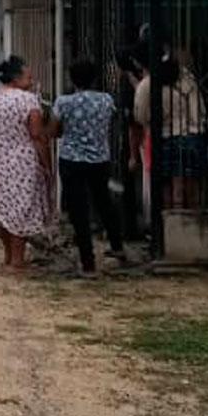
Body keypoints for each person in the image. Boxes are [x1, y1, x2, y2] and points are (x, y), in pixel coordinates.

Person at [0, 55, 51, 271]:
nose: (32, 82)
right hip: (22, 163)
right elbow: (37, 135)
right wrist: (46, 164)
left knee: (1, 210)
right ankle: (17, 260)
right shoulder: (28, 101)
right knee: (20, 210)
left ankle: (8, 256)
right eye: (28, 77)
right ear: (16, 78)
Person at [53, 60, 126, 276]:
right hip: (99, 159)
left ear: (71, 79)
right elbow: (110, 122)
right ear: (94, 78)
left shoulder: (63, 102)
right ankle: (117, 246)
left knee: (79, 211)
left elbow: (54, 130)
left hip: (72, 160)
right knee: (104, 202)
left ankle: (88, 263)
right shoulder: (106, 100)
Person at [133, 56, 207, 209]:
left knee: (168, 187)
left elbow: (140, 116)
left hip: (166, 136)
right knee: (191, 185)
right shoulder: (188, 80)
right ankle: (194, 222)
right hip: (193, 135)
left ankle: (170, 225)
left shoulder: (149, 84)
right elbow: (200, 110)